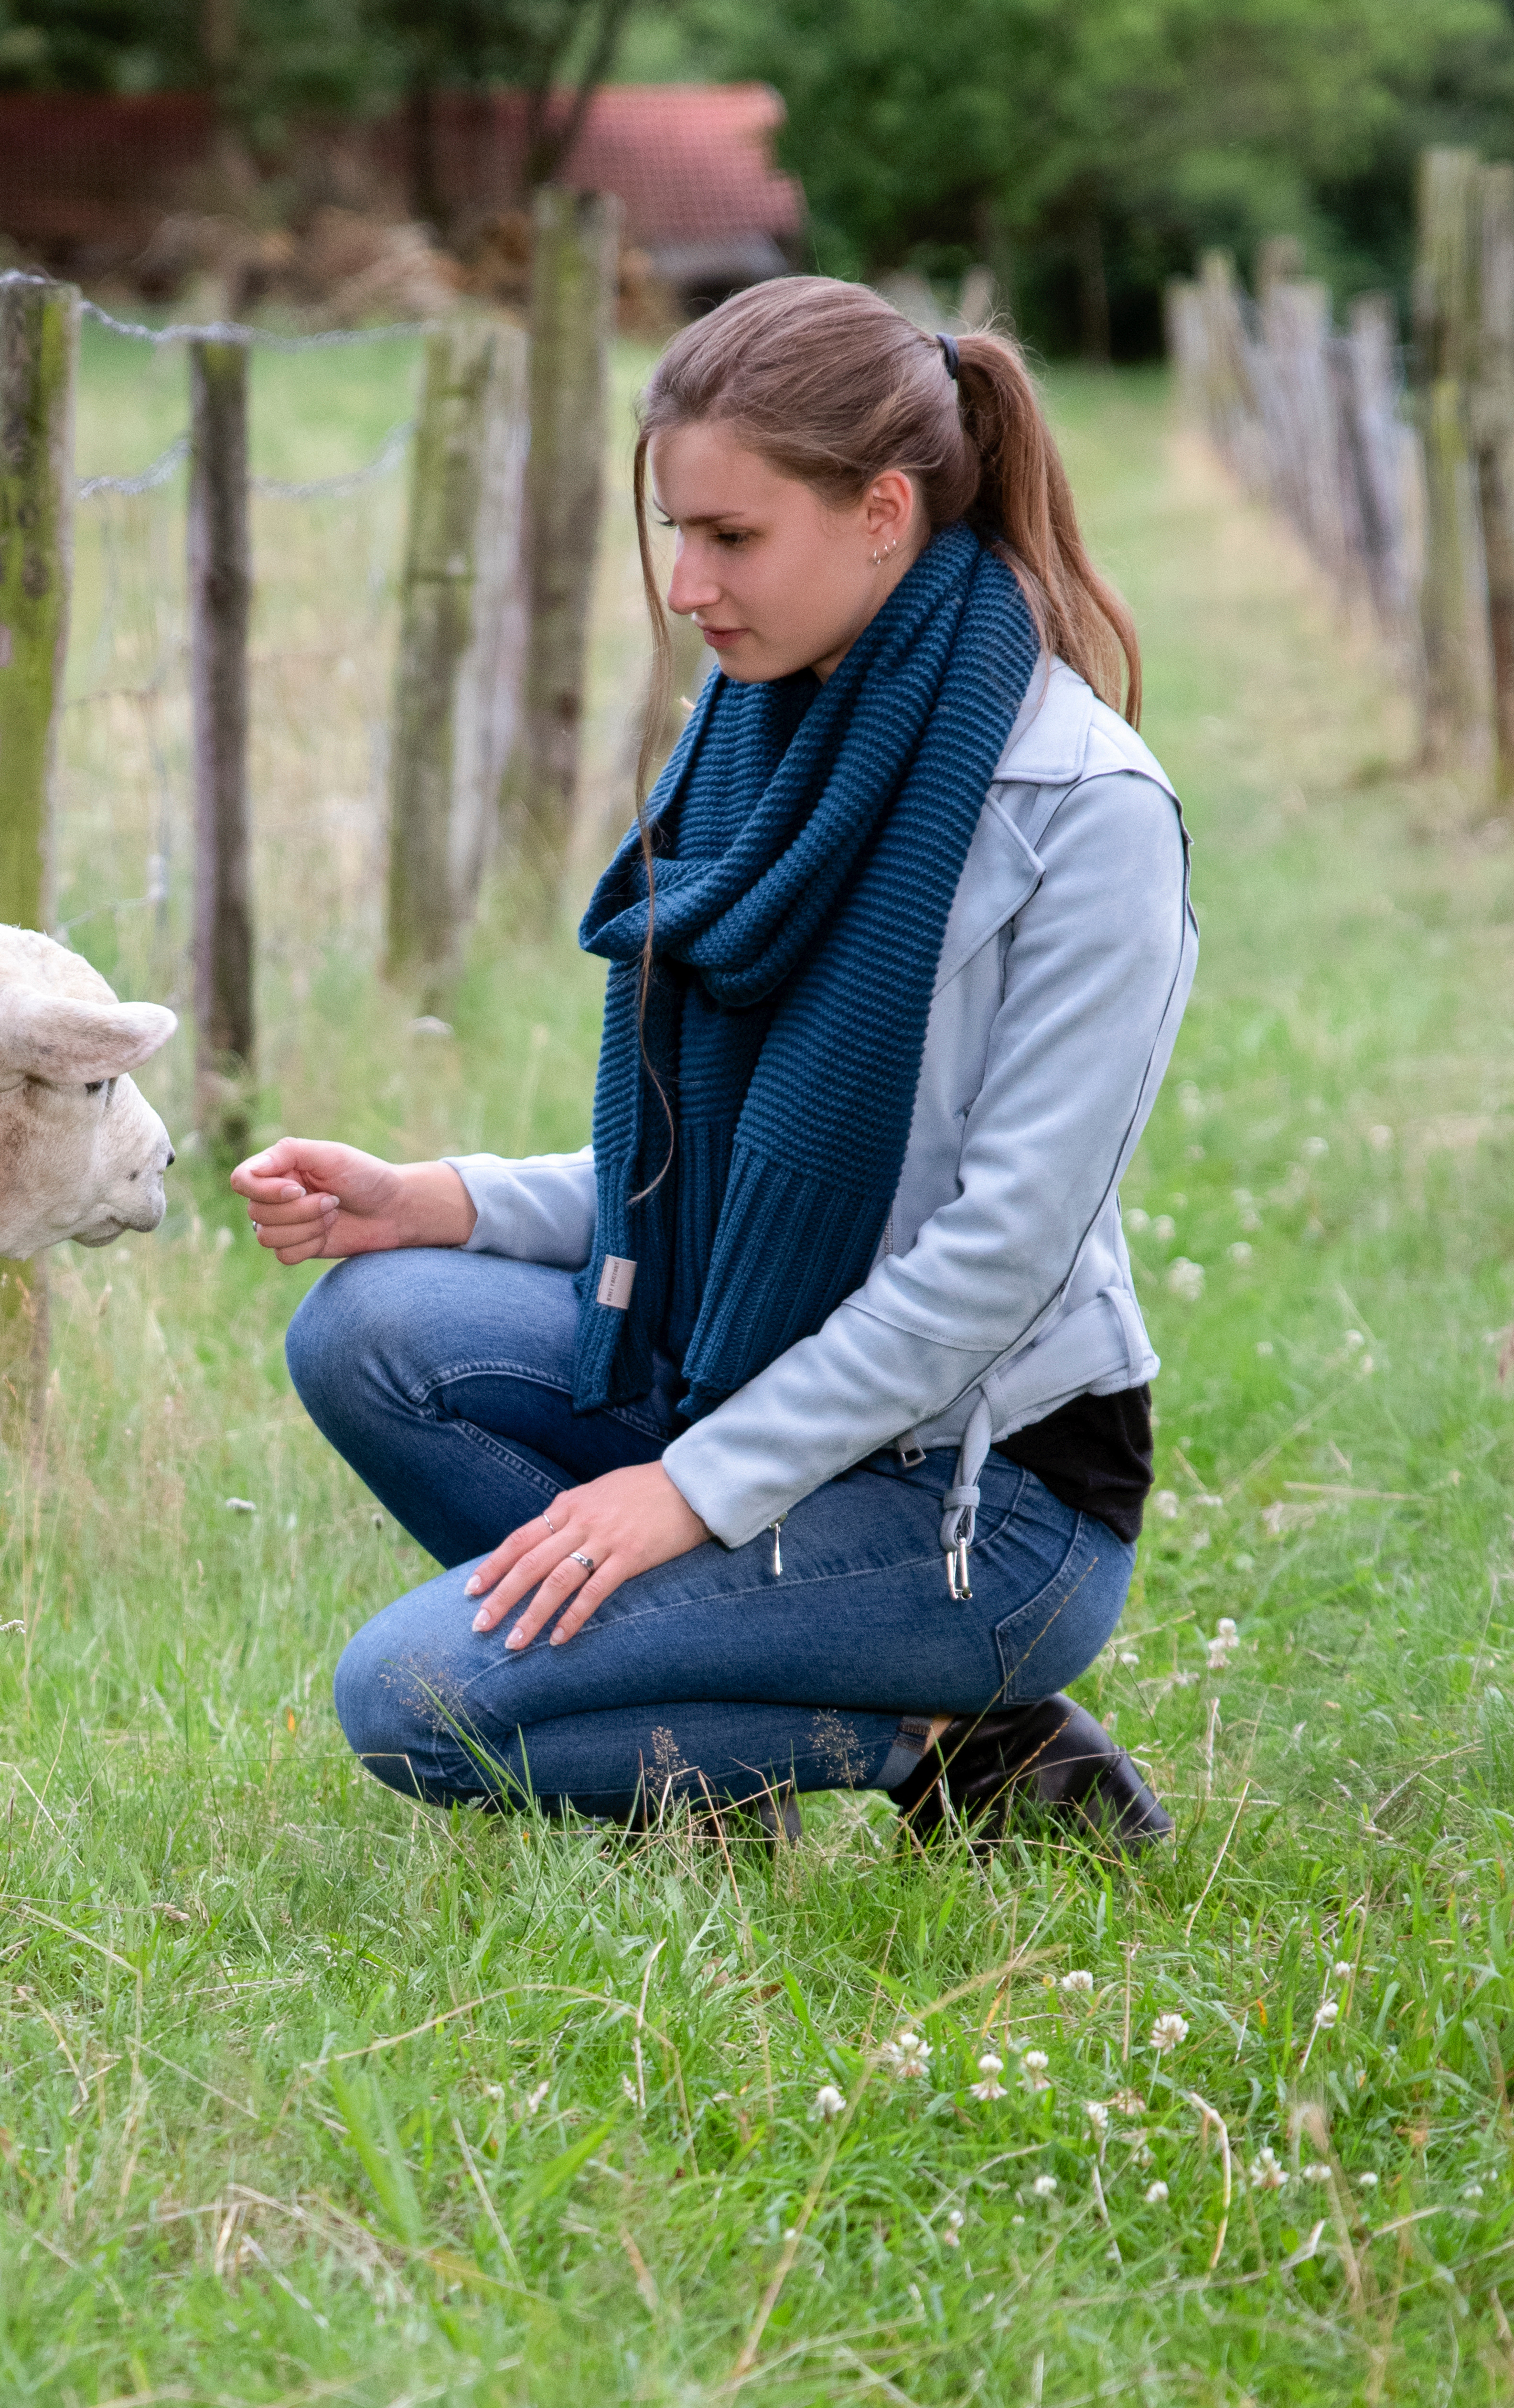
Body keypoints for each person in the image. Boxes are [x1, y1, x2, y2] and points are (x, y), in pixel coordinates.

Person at [233, 278, 1192, 1849]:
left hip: (985, 1502)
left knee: (410, 1705)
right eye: (676, 532)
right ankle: (694, 1743)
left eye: (731, 538)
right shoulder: (764, 737)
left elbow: (996, 1259)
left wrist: (685, 1493)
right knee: (373, 1327)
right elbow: (714, 1173)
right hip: (736, 1375)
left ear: (884, 512)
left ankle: (953, 1743)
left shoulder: (1080, 811)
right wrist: (437, 1199)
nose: (686, 585)